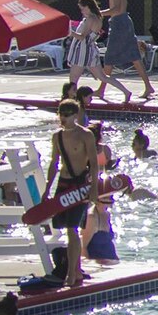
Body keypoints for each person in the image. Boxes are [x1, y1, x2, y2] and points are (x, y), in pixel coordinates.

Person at [44, 98, 97, 288]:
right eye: (61, 115)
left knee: (72, 228)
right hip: (63, 183)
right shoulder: (57, 136)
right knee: (64, 227)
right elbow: (54, 164)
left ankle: (72, 273)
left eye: (67, 115)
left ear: (76, 116)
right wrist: (47, 190)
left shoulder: (86, 135)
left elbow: (94, 163)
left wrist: (94, 189)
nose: (63, 119)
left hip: (80, 184)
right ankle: (76, 269)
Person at [97, 0, 155, 101]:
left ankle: (101, 89)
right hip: (125, 21)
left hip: (119, 23)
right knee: (134, 56)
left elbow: (116, 8)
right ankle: (147, 85)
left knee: (109, 57)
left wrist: (99, 13)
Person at [66, 0, 129, 102]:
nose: (81, 11)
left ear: (87, 7)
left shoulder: (90, 19)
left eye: (82, 8)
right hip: (90, 50)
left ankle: (71, 100)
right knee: (103, 77)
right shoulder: (97, 17)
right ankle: (126, 92)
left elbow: (82, 37)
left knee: (73, 79)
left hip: (83, 51)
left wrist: (70, 32)